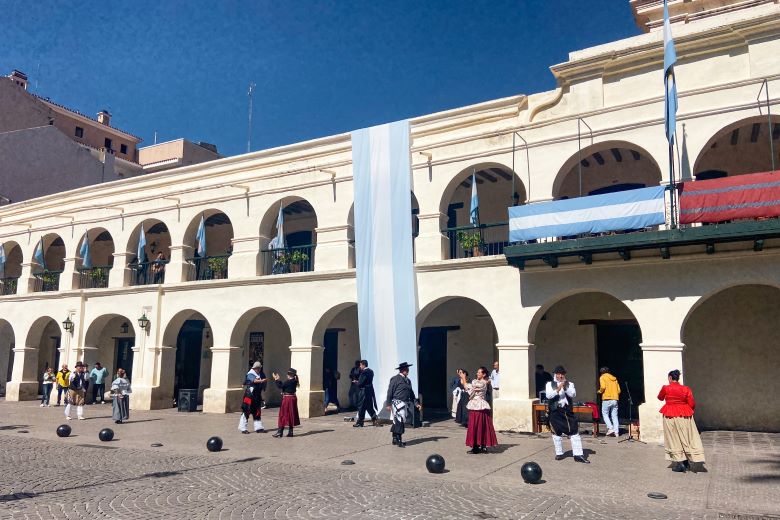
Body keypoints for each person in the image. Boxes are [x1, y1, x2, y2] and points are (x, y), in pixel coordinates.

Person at [657, 369, 706, 472]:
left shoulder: (666, 388)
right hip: (684, 415)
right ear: (678, 378)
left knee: (673, 438)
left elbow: (660, 398)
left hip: (670, 415)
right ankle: (688, 460)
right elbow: (692, 403)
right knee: (686, 437)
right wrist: (687, 410)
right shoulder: (686, 389)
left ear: (670, 378)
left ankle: (680, 463)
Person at [545, 365, 589, 463]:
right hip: (555, 411)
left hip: (566, 411)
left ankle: (578, 455)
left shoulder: (570, 384)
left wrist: (564, 387)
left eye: (562, 374)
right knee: (556, 433)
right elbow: (549, 395)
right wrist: (558, 388)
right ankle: (559, 453)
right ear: (555, 375)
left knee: (574, 431)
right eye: (558, 374)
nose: (560, 376)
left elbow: (573, 394)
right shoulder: (549, 384)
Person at [461, 366, 498, 454]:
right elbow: (468, 386)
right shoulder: (475, 381)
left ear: (483, 374)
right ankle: (476, 446)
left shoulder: (483, 383)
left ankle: (482, 445)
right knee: (474, 426)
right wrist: (463, 379)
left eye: (479, 372)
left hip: (480, 406)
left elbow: (469, 388)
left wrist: (463, 377)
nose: (477, 373)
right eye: (477, 372)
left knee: (481, 425)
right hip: (474, 406)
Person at [385, 362, 421, 448]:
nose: (407, 371)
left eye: (408, 369)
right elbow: (390, 391)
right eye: (406, 369)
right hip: (397, 402)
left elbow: (411, 393)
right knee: (399, 420)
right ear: (402, 370)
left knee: (398, 420)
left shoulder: (408, 381)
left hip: (404, 403)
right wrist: (388, 403)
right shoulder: (395, 379)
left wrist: (416, 403)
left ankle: (394, 438)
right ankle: (399, 439)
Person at [272, 368, 300, 438]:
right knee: (291, 414)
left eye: (288, 374)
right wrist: (278, 380)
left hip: (288, 399)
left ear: (290, 374)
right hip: (292, 398)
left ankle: (280, 432)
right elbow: (284, 386)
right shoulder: (294, 381)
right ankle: (290, 432)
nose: (287, 375)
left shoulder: (290, 381)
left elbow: (280, 386)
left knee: (283, 414)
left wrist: (276, 379)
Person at [239, 362, 266, 434]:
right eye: (257, 368)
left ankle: (259, 428)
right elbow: (254, 380)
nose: (258, 369)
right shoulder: (250, 374)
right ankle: (243, 428)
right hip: (249, 395)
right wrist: (261, 381)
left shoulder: (260, 373)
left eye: (259, 368)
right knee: (246, 411)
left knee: (257, 412)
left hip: (257, 395)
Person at [597, 366, 621, 437]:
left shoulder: (602, 377)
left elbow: (603, 387)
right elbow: (619, 390)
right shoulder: (614, 379)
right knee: (614, 416)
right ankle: (616, 432)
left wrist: (599, 391)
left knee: (605, 414)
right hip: (615, 399)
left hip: (607, 399)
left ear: (601, 372)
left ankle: (610, 428)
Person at [354, 360, 377, 427]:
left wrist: (356, 382)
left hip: (364, 391)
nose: (360, 366)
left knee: (361, 407)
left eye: (360, 365)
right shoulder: (371, 371)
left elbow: (361, 383)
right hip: (370, 391)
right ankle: (375, 420)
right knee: (369, 406)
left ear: (363, 365)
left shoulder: (364, 372)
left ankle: (360, 422)